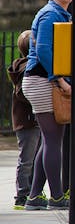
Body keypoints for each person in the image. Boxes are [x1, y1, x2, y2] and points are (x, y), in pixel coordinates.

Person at [21, 0, 75, 211]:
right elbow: (43, 50)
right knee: (53, 140)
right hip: (42, 82)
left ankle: (34, 197)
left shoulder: (60, 13)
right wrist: (61, 80)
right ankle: (56, 197)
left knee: (49, 140)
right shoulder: (50, 14)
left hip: (44, 81)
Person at [7, 30, 41, 210]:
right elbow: (23, 93)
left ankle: (31, 191)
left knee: (33, 158)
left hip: (29, 119)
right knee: (27, 159)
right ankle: (22, 195)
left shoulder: (25, 65)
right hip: (28, 120)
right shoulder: (27, 68)